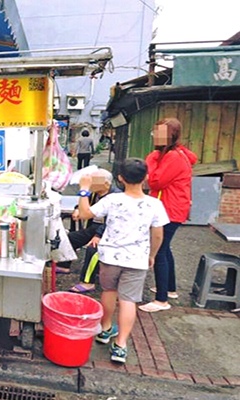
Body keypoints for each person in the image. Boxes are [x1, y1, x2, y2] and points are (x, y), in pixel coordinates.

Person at [77, 158, 169, 363]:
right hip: (136, 259)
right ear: (145, 178)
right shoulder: (155, 204)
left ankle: (105, 329)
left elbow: (84, 213)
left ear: (120, 178)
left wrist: (84, 190)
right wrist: (152, 255)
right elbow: (158, 235)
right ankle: (121, 345)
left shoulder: (112, 200)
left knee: (108, 292)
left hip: (109, 256)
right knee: (128, 300)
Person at [140, 118, 197, 313]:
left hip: (170, 209)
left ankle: (161, 300)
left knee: (160, 251)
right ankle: (170, 289)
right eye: (155, 132)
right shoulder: (173, 155)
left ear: (171, 136)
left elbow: (155, 182)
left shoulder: (172, 157)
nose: (155, 135)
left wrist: (151, 160)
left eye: (159, 132)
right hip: (172, 207)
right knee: (166, 248)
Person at [57, 169, 122, 294]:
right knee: (70, 237)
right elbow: (83, 205)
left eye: (94, 180)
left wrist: (98, 236)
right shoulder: (93, 193)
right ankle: (64, 265)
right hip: (93, 227)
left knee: (93, 249)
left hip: (106, 231)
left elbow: (112, 221)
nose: (90, 183)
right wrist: (77, 210)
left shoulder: (115, 197)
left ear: (106, 183)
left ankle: (87, 282)